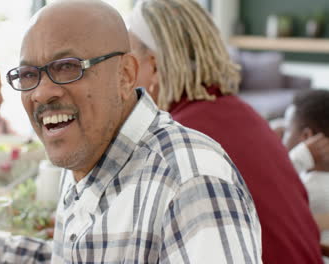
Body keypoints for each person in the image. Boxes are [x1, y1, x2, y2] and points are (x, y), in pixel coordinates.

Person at [0, 1, 261, 263]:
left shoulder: (190, 182)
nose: (42, 93)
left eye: (67, 67)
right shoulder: (86, 150)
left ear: (125, 75)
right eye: (29, 74)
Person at [128, 0, 322, 263]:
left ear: (153, 66)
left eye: (127, 62)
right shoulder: (248, 115)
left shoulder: (174, 139)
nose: (123, 76)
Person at [282, 90, 329, 263]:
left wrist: (297, 158)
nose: (281, 137)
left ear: (307, 137)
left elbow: (267, 195)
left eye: (287, 130)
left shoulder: (311, 190)